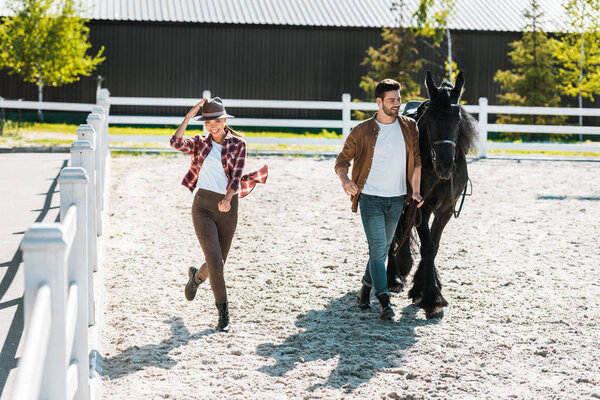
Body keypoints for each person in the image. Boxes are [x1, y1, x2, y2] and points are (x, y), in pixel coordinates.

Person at [171, 97, 268, 332]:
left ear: (224, 120)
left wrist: (227, 198)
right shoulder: (199, 143)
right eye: (207, 122)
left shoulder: (238, 145)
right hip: (202, 206)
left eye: (216, 121)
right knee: (215, 261)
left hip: (228, 206)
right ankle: (224, 313)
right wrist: (189, 116)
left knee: (218, 263)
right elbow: (175, 142)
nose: (212, 126)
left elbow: (236, 176)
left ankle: (196, 277)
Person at [334, 79, 423, 321]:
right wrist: (345, 180)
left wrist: (415, 191)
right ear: (379, 102)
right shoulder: (362, 130)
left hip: (396, 200)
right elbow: (342, 161)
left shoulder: (409, 127)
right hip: (370, 199)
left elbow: (416, 161)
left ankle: (365, 289)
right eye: (392, 100)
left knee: (382, 249)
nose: (397, 104)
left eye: (399, 99)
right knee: (377, 249)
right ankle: (384, 300)